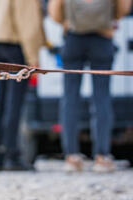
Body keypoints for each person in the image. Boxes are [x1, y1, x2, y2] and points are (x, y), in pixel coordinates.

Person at [49, 0, 132, 173]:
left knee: (70, 97)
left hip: (73, 37)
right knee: (101, 97)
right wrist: (109, 19)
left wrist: (67, 22)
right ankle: (102, 157)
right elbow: (124, 6)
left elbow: (54, 9)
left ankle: (71, 157)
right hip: (102, 37)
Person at [0, 0, 45, 171]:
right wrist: (33, 57)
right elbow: (28, 21)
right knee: (14, 102)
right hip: (16, 45)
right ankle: (12, 154)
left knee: (0, 101)